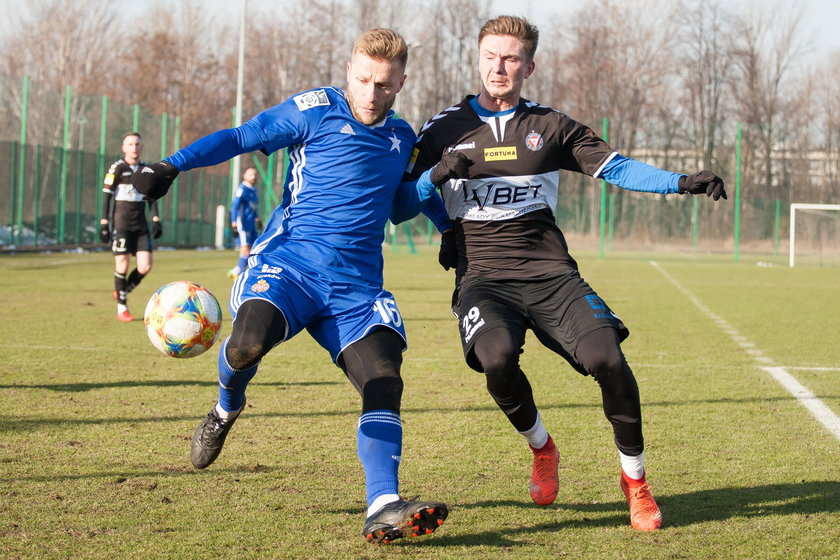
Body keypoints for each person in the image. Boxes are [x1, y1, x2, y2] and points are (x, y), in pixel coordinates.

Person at [403, 15, 727, 532]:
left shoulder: (552, 127)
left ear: (529, 66)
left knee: (609, 361)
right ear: (478, 59)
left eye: (510, 58)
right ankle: (542, 447)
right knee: (497, 359)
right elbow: (402, 200)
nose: (498, 67)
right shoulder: (442, 128)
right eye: (490, 56)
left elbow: (616, 167)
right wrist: (438, 181)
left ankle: (636, 482)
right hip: (483, 279)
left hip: (551, 274)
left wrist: (680, 181)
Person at [132, 28, 450, 545]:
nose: (372, 94)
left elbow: (402, 203)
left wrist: (448, 230)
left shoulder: (403, 138)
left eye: (385, 85)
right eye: (364, 80)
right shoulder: (315, 108)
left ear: (401, 84)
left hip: (357, 291)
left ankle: (383, 505)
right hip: (290, 266)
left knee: (384, 381)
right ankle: (225, 407)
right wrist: (172, 166)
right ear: (349, 72)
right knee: (246, 343)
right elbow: (242, 137)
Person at [100, 131, 162, 322]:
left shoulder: (145, 170)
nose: (134, 147)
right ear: (123, 148)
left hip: (141, 226)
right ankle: (122, 308)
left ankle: (122, 291)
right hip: (122, 225)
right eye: (130, 144)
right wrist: (104, 223)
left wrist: (156, 219)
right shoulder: (117, 168)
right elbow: (107, 196)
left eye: (137, 144)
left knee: (145, 266)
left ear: (141, 147)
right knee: (123, 264)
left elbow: (151, 197)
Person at [228, 165, 262, 278]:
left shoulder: (254, 189)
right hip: (242, 224)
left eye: (255, 175)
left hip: (251, 223)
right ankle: (239, 273)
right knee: (245, 249)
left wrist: (257, 219)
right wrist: (234, 223)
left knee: (254, 248)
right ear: (245, 176)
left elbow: (252, 208)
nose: (254, 177)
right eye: (251, 175)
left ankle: (238, 270)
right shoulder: (242, 189)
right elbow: (234, 207)